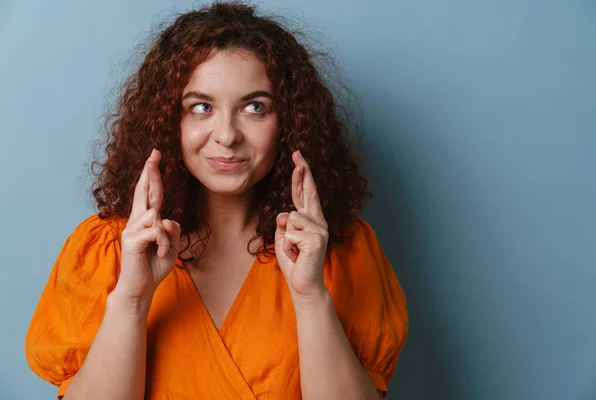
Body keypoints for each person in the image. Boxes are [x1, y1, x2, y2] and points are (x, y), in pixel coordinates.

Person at [25, 2, 408, 399]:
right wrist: (132, 299)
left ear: (288, 123)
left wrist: (311, 298)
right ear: (168, 121)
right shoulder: (105, 251)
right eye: (201, 107)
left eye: (254, 107)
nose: (227, 135)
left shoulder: (344, 252)